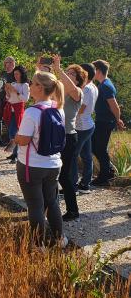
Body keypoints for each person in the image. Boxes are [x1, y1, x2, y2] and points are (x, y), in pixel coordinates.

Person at [15, 71, 68, 248]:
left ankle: (39, 245)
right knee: (52, 202)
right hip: (54, 164)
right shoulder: (58, 107)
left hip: (32, 165)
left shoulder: (32, 112)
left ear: (40, 87)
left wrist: (16, 137)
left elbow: (24, 139)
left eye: (33, 83)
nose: (30, 86)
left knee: (36, 206)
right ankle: (60, 239)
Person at [52, 56, 86, 222]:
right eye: (67, 72)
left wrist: (59, 70)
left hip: (68, 136)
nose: (67, 74)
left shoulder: (78, 92)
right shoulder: (62, 92)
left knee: (64, 176)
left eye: (71, 73)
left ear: (78, 79)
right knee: (52, 173)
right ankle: (50, 207)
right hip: (56, 135)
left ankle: (73, 211)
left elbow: (72, 88)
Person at [91, 60, 126, 186]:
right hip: (102, 120)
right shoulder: (103, 84)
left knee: (99, 148)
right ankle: (108, 171)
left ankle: (105, 176)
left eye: (93, 69)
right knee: (96, 147)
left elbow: (114, 106)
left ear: (98, 71)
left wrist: (118, 120)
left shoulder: (105, 86)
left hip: (105, 122)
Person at [73, 63, 98, 194]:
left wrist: (69, 116)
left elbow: (81, 109)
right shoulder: (93, 86)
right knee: (86, 156)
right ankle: (85, 184)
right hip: (88, 124)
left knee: (73, 155)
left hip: (81, 126)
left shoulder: (87, 88)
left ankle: (73, 185)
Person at [3, 65, 29, 163]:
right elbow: (8, 98)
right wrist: (7, 92)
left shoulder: (25, 85)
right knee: (12, 130)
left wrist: (16, 92)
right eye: (14, 74)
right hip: (10, 109)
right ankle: (15, 153)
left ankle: (15, 153)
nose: (16, 76)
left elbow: (25, 99)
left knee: (13, 131)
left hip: (18, 110)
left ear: (22, 74)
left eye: (17, 74)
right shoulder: (13, 83)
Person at [0, 56, 15, 144]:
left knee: (7, 120)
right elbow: (0, 86)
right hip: (0, 100)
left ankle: (8, 140)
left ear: (12, 63)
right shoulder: (3, 74)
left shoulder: (15, 74)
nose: (6, 65)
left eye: (7, 63)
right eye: (5, 63)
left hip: (8, 101)